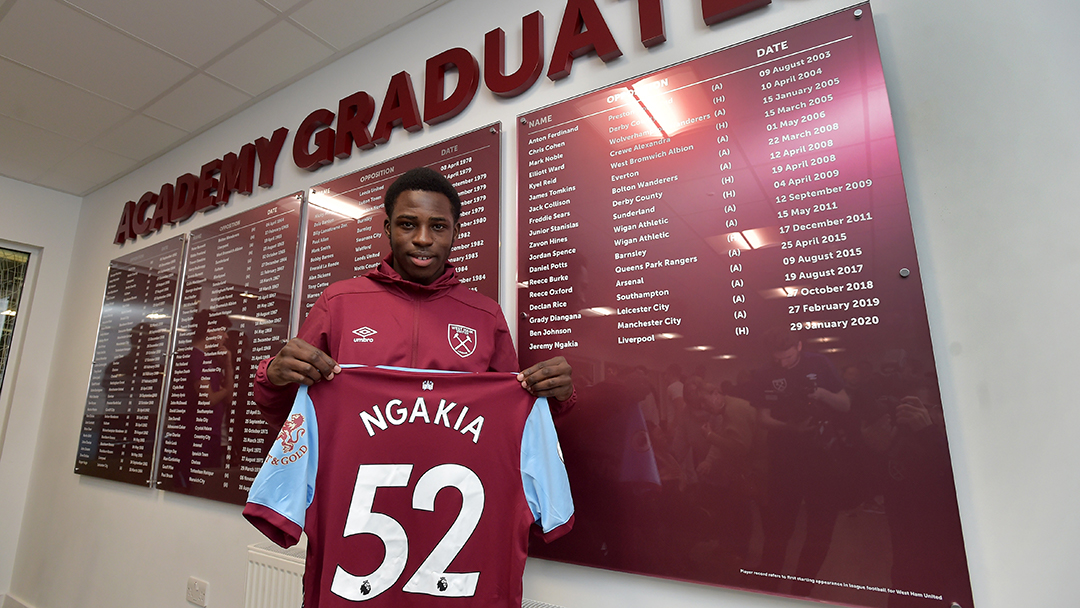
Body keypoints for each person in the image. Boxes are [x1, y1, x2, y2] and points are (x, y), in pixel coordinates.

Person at [253, 167, 574, 426]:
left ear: (456, 232)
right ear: (388, 228)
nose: (423, 239)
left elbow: (512, 416)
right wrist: (274, 376)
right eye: (408, 224)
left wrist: (555, 397)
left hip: (454, 489)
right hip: (351, 487)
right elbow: (290, 414)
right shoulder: (339, 301)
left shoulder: (485, 315)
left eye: (438, 226)